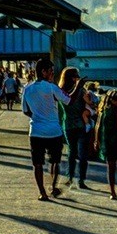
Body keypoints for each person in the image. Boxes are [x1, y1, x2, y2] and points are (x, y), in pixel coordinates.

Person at [21, 57, 70, 201]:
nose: (52, 74)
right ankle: (54, 186)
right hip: (54, 131)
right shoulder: (51, 87)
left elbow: (25, 110)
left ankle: (42, 192)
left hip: (36, 131)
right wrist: (78, 86)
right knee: (55, 161)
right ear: (43, 72)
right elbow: (68, 100)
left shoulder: (27, 89)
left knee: (37, 164)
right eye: (51, 71)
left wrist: (37, 116)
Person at [59, 69, 94, 189]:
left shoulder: (60, 91)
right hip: (79, 125)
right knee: (81, 154)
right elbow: (71, 100)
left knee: (72, 152)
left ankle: (71, 178)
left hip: (69, 125)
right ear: (72, 78)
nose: (78, 79)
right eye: (76, 76)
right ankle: (80, 180)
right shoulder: (79, 90)